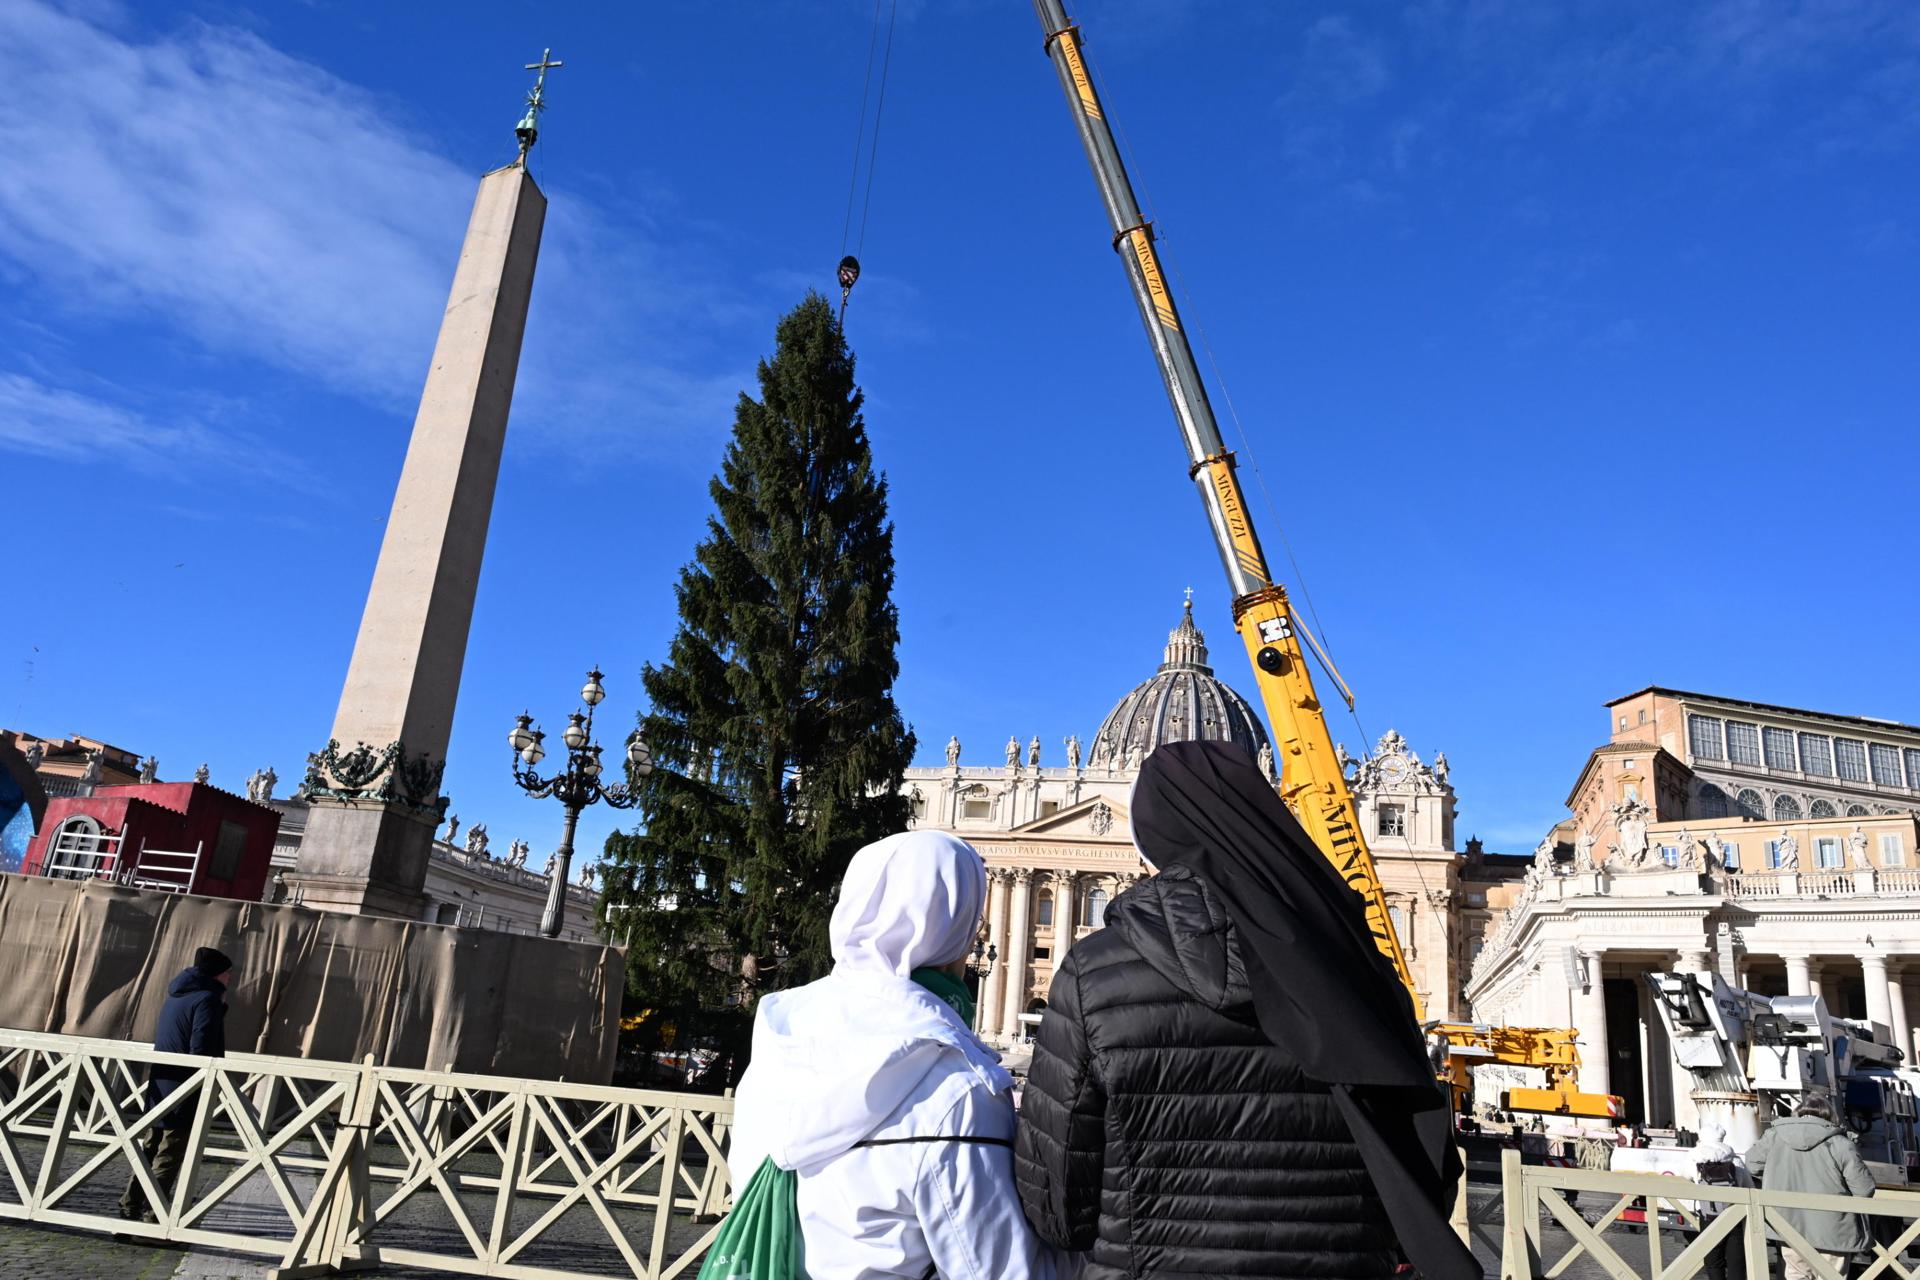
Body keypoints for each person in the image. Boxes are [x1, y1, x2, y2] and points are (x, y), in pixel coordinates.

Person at [1015, 741, 1477, 1280]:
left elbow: (1056, 1206)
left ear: (1154, 841)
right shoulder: (1362, 967)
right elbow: (1427, 1172)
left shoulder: (1091, 972)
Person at [727, 831, 1075, 1279]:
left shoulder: (779, 1045)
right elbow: (1002, 1270)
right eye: (973, 920)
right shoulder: (959, 1090)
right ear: (954, 927)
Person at [120, 946, 233, 1223]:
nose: (231, 978)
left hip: (162, 1083)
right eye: (229, 973)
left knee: (151, 1147)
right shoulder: (207, 999)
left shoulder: (176, 996)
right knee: (170, 1150)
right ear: (218, 974)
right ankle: (153, 1212)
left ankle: (130, 1203)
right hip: (184, 1087)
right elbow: (201, 1047)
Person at [1746, 1092, 1875, 1280]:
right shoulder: (1840, 1143)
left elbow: (1752, 1165)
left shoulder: (1774, 1136)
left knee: (1796, 1275)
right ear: (1830, 1116)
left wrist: (1775, 1176)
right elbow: (1864, 1190)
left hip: (1788, 1225)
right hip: (1833, 1230)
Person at [1693, 1121, 1748, 1280]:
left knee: (1713, 1261)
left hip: (1707, 1216)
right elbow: (1748, 1185)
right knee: (1736, 1261)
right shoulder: (1734, 1159)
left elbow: (1685, 1177)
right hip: (1733, 1216)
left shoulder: (1695, 1158)